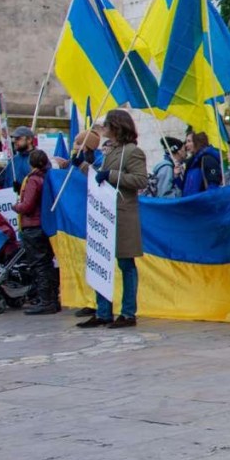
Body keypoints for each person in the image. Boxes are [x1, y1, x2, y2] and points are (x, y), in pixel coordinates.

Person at [75, 110, 148, 329]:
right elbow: (101, 180)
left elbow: (140, 180)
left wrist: (111, 175)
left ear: (116, 126)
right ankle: (103, 311)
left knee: (126, 264)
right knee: (101, 262)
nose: (103, 128)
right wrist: (81, 166)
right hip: (105, 215)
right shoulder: (108, 152)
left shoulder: (132, 152)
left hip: (123, 214)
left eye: (106, 125)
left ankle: (127, 313)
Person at [12, 149, 60, 315]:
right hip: (45, 224)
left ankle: (46, 301)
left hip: (33, 225)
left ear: (31, 163)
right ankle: (53, 299)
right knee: (47, 264)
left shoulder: (33, 179)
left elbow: (27, 206)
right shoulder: (48, 176)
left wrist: (16, 206)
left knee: (39, 265)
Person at [176, 131, 222, 196]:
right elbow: (184, 188)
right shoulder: (190, 162)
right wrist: (177, 176)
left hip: (201, 203)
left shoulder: (208, 159)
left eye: (189, 141)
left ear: (197, 142)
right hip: (190, 203)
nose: (186, 145)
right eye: (186, 142)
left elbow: (213, 185)